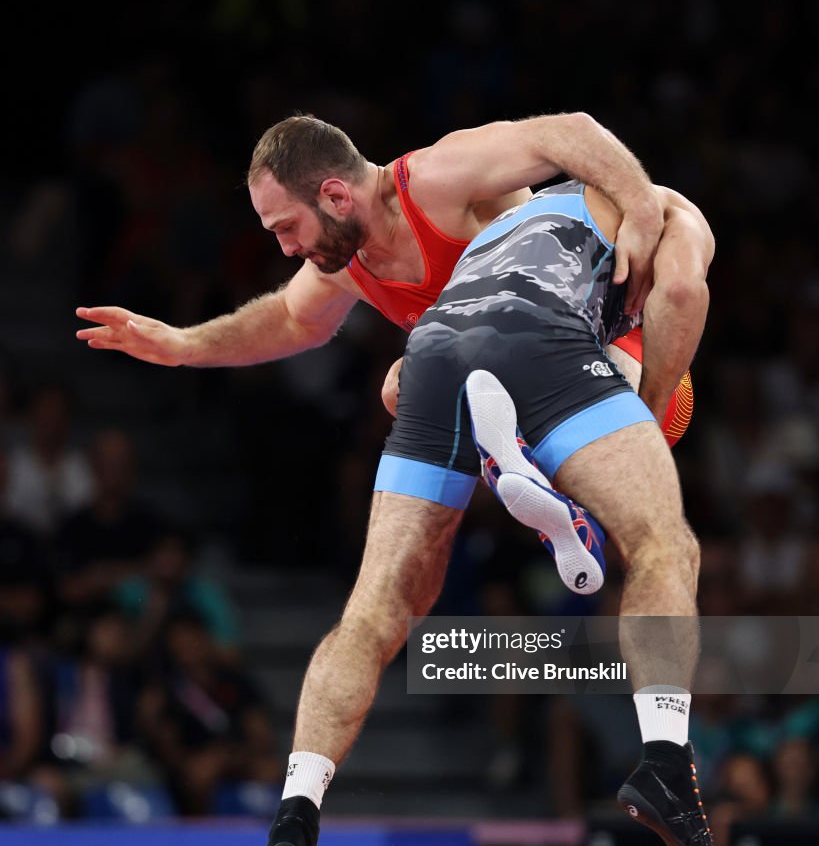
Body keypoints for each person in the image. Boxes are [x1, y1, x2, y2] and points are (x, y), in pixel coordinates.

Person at [237, 174, 728, 846]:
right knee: (663, 545)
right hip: (548, 349)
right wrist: (649, 414)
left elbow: (422, 349)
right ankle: (666, 764)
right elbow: (683, 299)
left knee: (375, 610)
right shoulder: (669, 209)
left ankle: (291, 829)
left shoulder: (509, 213)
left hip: (434, 352)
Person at [76, 114, 706, 588]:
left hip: (598, 330)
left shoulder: (438, 177)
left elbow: (567, 132)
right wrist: (183, 344)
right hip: (526, 374)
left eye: (286, 228)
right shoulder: (347, 261)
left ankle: (533, 459)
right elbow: (292, 320)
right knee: (404, 383)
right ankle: (534, 476)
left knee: (418, 378)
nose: (287, 250)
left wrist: (643, 207)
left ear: (335, 196)